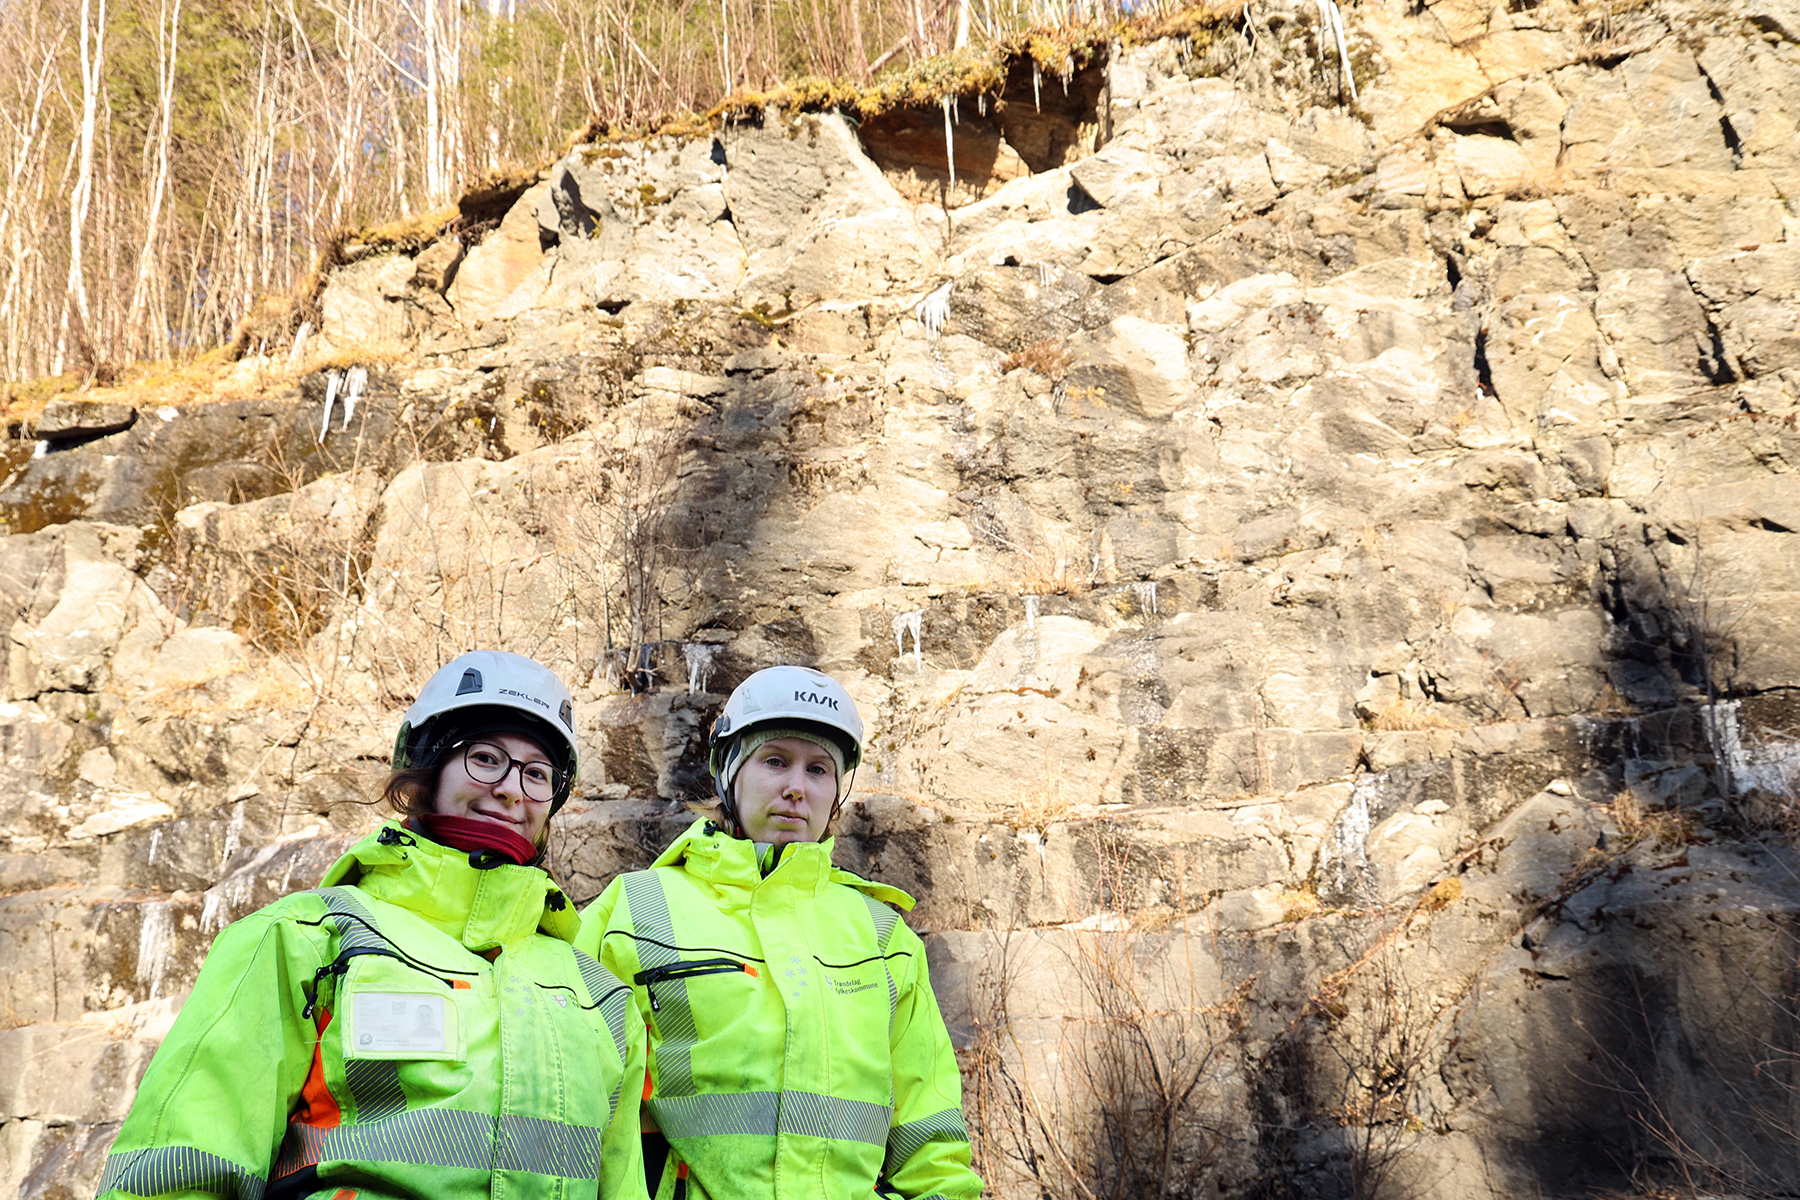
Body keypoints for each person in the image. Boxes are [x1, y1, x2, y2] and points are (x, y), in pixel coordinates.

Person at [97, 650, 647, 1200]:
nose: (510, 789)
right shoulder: (307, 938)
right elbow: (183, 1170)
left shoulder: (598, 997)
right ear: (429, 767)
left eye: (537, 774)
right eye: (485, 758)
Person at [575, 665, 983, 1200]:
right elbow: (580, 1105)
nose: (796, 788)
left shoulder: (884, 938)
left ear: (837, 791)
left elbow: (932, 1145)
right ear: (728, 774)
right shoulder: (633, 909)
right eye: (775, 761)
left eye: (819, 769)